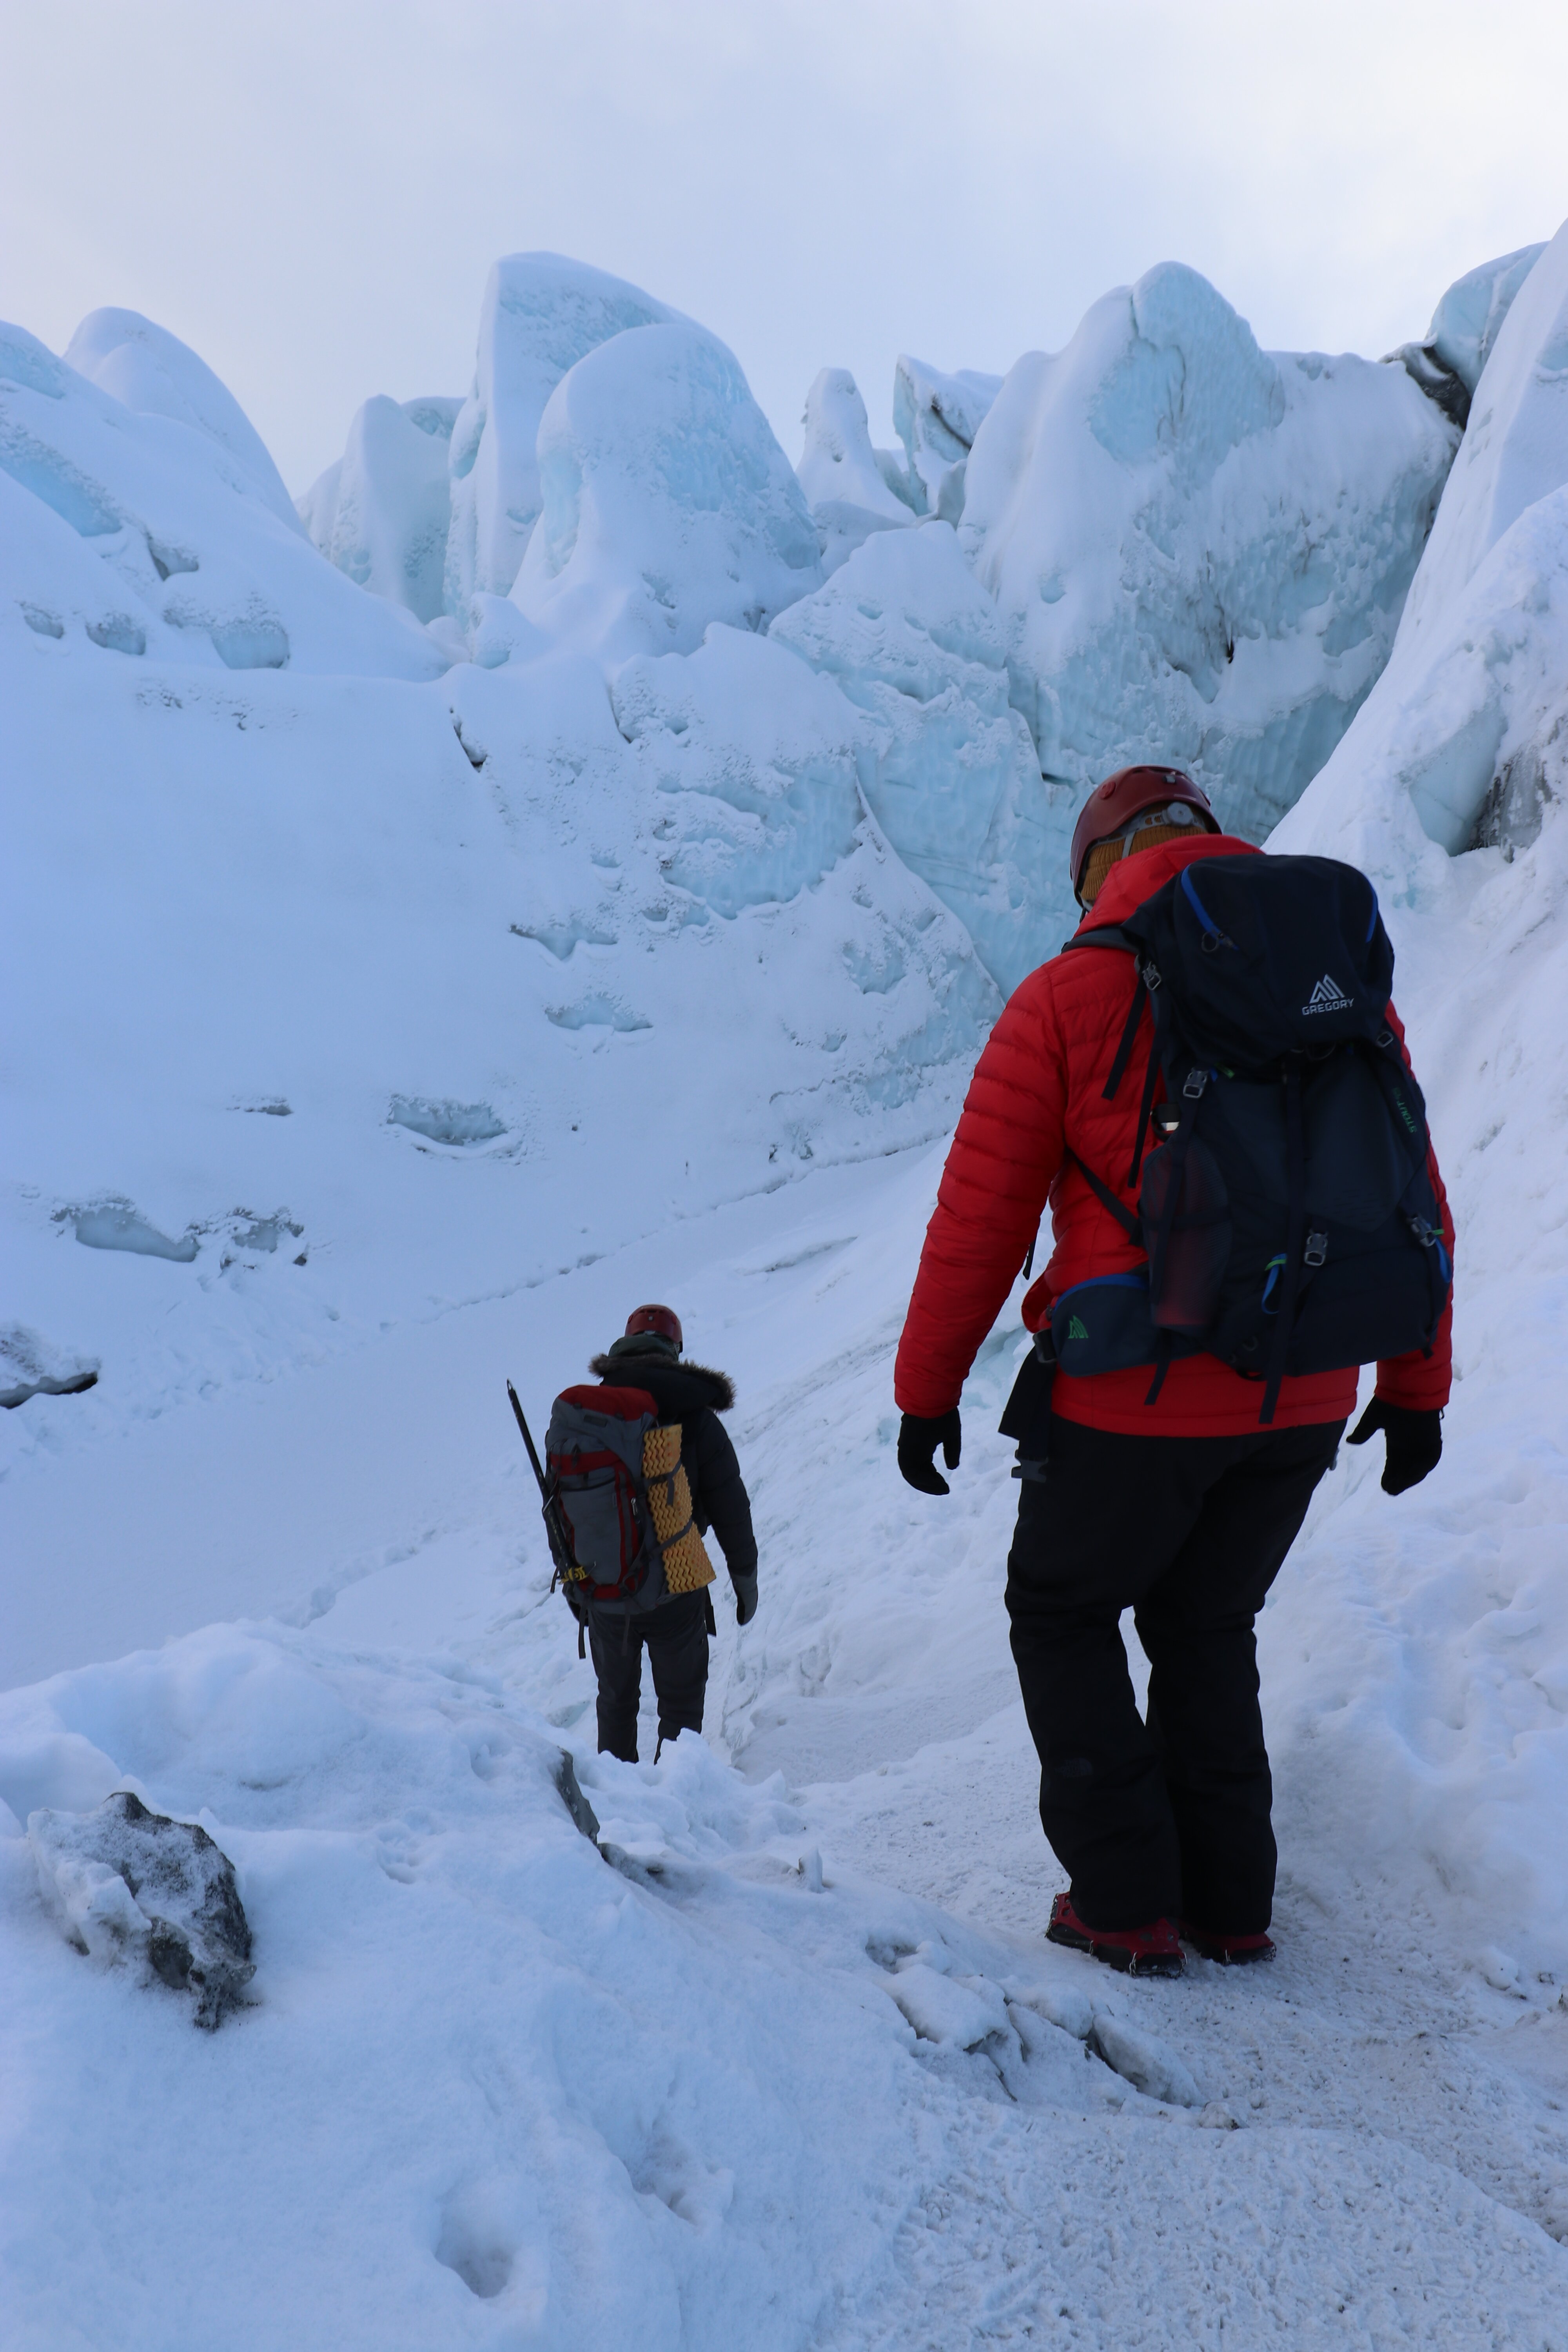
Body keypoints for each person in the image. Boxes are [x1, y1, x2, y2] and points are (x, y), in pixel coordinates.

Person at [894, 766, 1452, 1976]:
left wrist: (924, 1392)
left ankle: (1127, 1899)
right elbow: (1406, 1189)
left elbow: (978, 1220)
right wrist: (1416, 1387)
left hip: (1130, 1399)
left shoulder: (1067, 994)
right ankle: (1228, 1902)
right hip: (1305, 1387)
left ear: (1098, 866)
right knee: (1207, 1622)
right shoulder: (1333, 978)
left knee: (1063, 1610)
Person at [583, 1304, 757, 1762]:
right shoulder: (695, 1415)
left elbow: (564, 1506)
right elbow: (730, 1506)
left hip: (605, 1591)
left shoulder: (589, 1417)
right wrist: (745, 1577)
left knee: (615, 1705)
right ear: (675, 1350)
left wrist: (577, 1587)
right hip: (675, 1589)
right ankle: (677, 1802)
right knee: (680, 1708)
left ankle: (616, 1807)